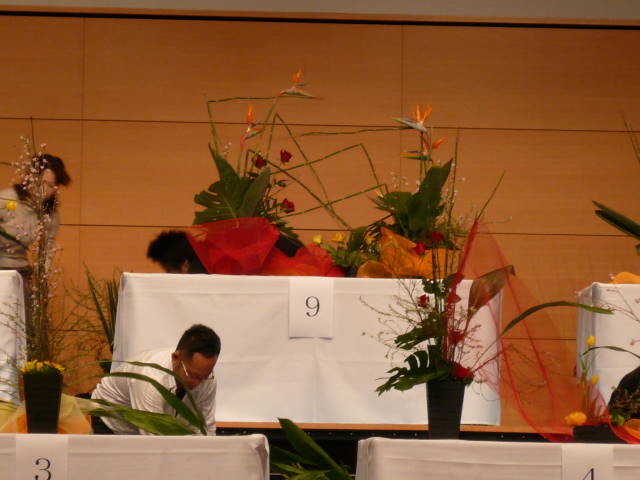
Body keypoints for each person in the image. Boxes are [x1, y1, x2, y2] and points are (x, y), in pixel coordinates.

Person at [91, 324, 221, 435]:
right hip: (108, 423)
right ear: (176, 358)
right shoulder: (150, 378)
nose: (198, 383)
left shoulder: (207, 378)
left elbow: (205, 429)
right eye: (192, 375)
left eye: (204, 376)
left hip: (142, 432)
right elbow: (154, 440)